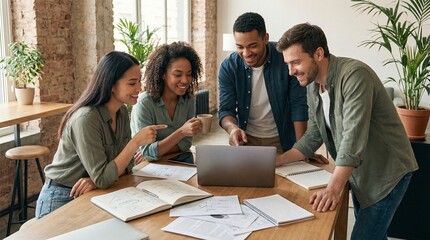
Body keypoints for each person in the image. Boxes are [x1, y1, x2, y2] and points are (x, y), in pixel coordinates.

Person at [276, 23, 418, 239]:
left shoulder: (354, 76)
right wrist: (276, 161)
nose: (291, 71)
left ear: (319, 53)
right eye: (288, 64)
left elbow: (352, 137)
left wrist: (333, 188)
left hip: (385, 173)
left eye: (296, 62)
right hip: (360, 172)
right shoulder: (313, 86)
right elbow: (313, 136)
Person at [35, 51, 166, 218]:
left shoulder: (121, 113)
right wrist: (135, 143)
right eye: (132, 83)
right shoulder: (86, 119)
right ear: (111, 85)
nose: (139, 88)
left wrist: (96, 180)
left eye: (139, 82)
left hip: (94, 191)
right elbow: (105, 177)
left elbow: (126, 167)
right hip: (63, 196)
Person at [218, 12, 309, 155]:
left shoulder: (285, 59)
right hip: (246, 141)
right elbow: (226, 109)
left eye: (252, 46)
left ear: (265, 38)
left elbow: (298, 106)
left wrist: (302, 150)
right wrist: (232, 128)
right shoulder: (228, 67)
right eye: (240, 47)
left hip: (283, 140)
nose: (246, 53)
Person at [130, 41, 203, 161]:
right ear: (163, 74)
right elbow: (147, 151)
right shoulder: (145, 103)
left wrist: (157, 151)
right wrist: (181, 133)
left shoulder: (189, 100)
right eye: (178, 75)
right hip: (147, 169)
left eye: (189, 74)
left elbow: (186, 144)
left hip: (178, 163)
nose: (185, 80)